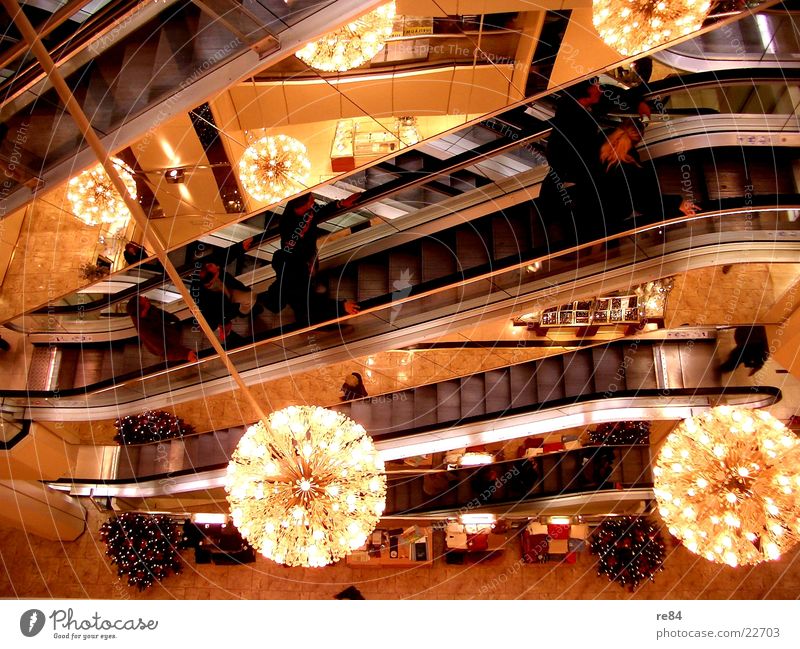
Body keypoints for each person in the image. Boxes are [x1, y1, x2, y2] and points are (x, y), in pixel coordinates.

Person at [259, 193, 361, 327]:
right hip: (303, 264)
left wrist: (340, 204)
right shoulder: (288, 228)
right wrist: (342, 307)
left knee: (304, 295)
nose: (313, 200)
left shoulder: (302, 209)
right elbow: (313, 304)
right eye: (310, 199)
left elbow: (318, 211)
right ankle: (304, 320)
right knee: (304, 302)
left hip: (305, 258)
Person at [596, 119, 698, 231]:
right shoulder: (631, 166)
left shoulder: (595, 145)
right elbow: (644, 201)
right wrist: (678, 203)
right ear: (638, 140)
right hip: (610, 221)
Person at [538, 77, 605, 244]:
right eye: (596, 86)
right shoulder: (577, 122)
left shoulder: (570, 109)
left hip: (568, 184)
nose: (600, 89)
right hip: (571, 184)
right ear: (587, 92)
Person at [192, 236, 262, 341]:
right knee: (248, 300)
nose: (217, 266)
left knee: (249, 298)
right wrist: (225, 321)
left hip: (226, 296)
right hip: (225, 303)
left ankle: (247, 312)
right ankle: (246, 313)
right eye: (214, 269)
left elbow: (222, 257)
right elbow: (224, 311)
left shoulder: (205, 270)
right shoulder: (208, 305)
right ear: (210, 281)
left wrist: (241, 247)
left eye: (209, 265)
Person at [126, 296, 197, 363]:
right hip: (167, 344)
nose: (148, 300)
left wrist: (175, 321)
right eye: (146, 301)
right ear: (143, 312)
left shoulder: (148, 309)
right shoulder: (146, 331)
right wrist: (185, 354)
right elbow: (165, 352)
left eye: (145, 298)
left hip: (169, 333)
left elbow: (162, 314)